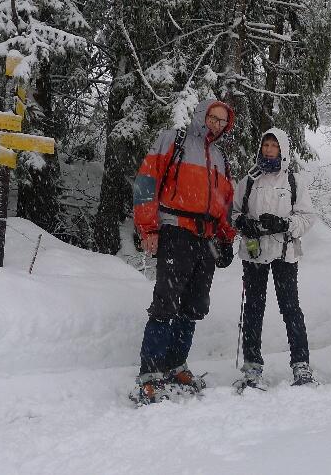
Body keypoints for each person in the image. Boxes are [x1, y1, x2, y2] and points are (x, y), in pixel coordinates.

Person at [129, 97, 237, 404]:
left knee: (194, 305)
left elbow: (226, 202)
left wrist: (226, 238)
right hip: (176, 230)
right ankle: (150, 374)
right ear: (202, 115)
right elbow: (146, 183)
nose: (217, 124)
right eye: (213, 118)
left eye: (222, 120)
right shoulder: (173, 141)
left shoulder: (220, 157)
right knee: (166, 301)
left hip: (207, 238)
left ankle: (176, 365)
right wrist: (148, 228)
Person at [231, 128, 319, 390]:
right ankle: (252, 366)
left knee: (290, 308)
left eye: (274, 145)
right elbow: (234, 212)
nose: (269, 149)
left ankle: (301, 364)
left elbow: (307, 217)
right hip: (254, 252)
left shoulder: (293, 181)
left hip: (284, 253)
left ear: (283, 149)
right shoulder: (249, 180)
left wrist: (284, 224)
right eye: (265, 144)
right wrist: (243, 223)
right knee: (253, 309)